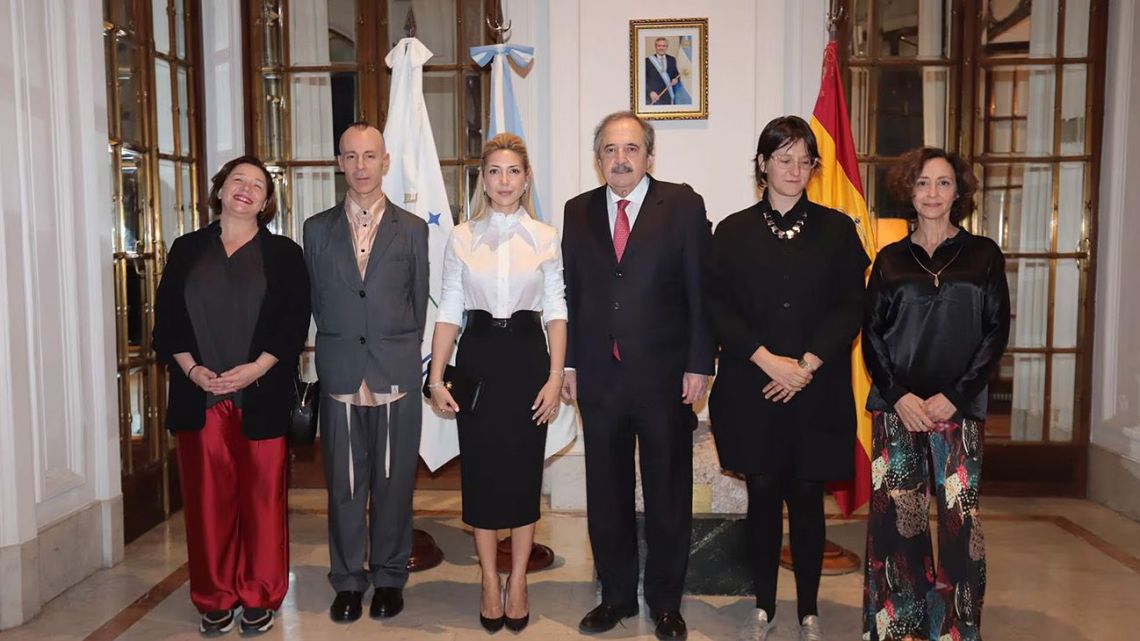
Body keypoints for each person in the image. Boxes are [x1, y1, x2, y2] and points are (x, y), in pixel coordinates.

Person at [704, 116, 869, 641]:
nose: (795, 169)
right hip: (750, 387)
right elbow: (717, 307)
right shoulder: (731, 231)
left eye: (805, 160)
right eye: (784, 158)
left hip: (815, 389)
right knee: (762, 495)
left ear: (815, 168)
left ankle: (810, 608)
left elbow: (851, 306)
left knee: (806, 496)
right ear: (762, 163)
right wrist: (766, 359)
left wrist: (805, 365)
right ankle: (763, 604)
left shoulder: (838, 230)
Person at [561, 111, 714, 641]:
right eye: (609, 149)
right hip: (600, 378)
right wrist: (571, 363)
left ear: (649, 154)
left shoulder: (683, 204)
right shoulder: (576, 212)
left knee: (668, 492)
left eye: (630, 148)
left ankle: (667, 603)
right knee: (606, 493)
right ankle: (617, 595)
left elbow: (701, 289)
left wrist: (700, 363)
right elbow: (573, 295)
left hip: (666, 378)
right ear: (598, 157)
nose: (620, 159)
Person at [153, 155, 311, 636]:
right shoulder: (185, 249)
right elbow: (167, 322)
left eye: (257, 185)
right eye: (237, 181)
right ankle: (214, 595)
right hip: (198, 396)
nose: (246, 189)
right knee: (207, 503)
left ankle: (260, 593)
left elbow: (292, 323)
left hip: (259, 393)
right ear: (219, 191)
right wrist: (193, 369)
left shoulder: (284, 253)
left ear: (266, 202)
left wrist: (255, 369)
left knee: (262, 501)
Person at [861, 147, 1009, 641]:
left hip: (958, 411)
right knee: (897, 527)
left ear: (958, 193)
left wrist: (956, 394)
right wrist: (899, 394)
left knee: (959, 527)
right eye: (923, 183)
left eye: (943, 183)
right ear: (910, 190)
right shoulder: (889, 259)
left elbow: (994, 334)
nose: (932, 193)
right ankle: (901, 628)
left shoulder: (984, 255)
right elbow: (872, 336)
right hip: (898, 410)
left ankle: (956, 630)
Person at [427, 132, 567, 634]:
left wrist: (555, 376)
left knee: (525, 474)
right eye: (494, 172)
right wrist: (436, 376)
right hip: (479, 358)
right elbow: (448, 309)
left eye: (513, 172)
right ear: (482, 180)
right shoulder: (462, 237)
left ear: (526, 179)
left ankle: (520, 579)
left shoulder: (547, 237)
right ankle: (489, 579)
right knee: (483, 474)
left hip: (530, 359)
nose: (504, 181)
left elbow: (556, 311)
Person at [302, 122, 429, 623]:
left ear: (385, 161)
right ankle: (349, 580)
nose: (360, 166)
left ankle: (391, 577)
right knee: (345, 486)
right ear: (339, 163)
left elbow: (418, 303)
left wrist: (396, 348)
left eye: (369, 156)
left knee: (394, 483)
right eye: (350, 156)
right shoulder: (315, 229)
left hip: (394, 372)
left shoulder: (413, 228)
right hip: (340, 375)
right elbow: (316, 301)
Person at [645, 37, 689, 106]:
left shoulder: (672, 59)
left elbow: (676, 74)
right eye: (659, 46)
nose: (661, 48)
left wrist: (676, 80)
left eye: (664, 46)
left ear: (666, 47)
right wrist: (650, 92)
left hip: (668, 96)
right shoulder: (647, 61)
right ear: (655, 47)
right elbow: (643, 80)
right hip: (654, 97)